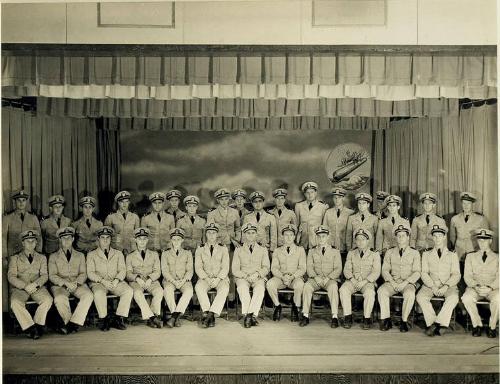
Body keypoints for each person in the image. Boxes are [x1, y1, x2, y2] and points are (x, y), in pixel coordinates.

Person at [416, 224, 460, 337]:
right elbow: (424, 273)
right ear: (432, 238)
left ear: (444, 237)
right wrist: (432, 286)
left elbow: (456, 274)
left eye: (440, 236)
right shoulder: (426, 254)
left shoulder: (452, 254)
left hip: (448, 285)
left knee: (453, 298)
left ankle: (436, 323)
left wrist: (446, 286)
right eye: (435, 236)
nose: (437, 239)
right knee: (420, 297)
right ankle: (435, 323)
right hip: (431, 285)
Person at [86, 226, 133, 331]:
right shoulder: (91, 254)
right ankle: (103, 319)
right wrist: (103, 281)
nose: (105, 240)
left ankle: (118, 318)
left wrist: (116, 280)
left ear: (111, 239)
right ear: (98, 239)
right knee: (99, 293)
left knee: (128, 291)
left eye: (107, 237)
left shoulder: (118, 253)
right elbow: (90, 273)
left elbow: (122, 270)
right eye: (102, 237)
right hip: (99, 282)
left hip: (115, 282)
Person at [8, 230, 53, 339]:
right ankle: (30, 327)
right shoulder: (15, 258)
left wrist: (36, 285)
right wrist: (24, 286)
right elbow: (11, 276)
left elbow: (44, 275)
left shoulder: (42, 257)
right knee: (15, 302)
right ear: (23, 243)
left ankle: (37, 324)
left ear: (36, 243)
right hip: (21, 288)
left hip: (37, 287)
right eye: (28, 241)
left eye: (33, 241)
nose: (31, 243)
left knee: (48, 300)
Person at [49, 227, 93, 334]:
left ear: (73, 239)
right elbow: (52, 276)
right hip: (61, 285)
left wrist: (76, 283)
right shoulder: (53, 256)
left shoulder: (80, 255)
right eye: (64, 238)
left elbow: (83, 273)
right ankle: (68, 322)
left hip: (76, 284)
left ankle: (73, 323)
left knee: (88, 295)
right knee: (59, 298)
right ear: (60, 240)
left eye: (69, 238)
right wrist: (65, 283)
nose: (66, 240)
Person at [3, 189, 42, 310]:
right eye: (18, 201)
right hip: (13, 255)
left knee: (33, 282)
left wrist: (38, 253)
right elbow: (3, 237)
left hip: (30, 255)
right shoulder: (7, 218)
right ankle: (12, 312)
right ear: (14, 202)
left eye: (23, 200)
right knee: (14, 285)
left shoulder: (33, 218)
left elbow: (39, 237)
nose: (21, 203)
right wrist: (4, 256)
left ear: (27, 202)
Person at [377, 224, 421, 332]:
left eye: (403, 236)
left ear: (408, 237)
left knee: (410, 294)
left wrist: (405, 283)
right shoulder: (390, 252)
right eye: (398, 236)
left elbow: (417, 272)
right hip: (393, 281)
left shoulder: (415, 253)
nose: (401, 238)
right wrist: (392, 282)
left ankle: (404, 320)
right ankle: (386, 319)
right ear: (395, 237)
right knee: (381, 291)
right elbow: (385, 270)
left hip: (408, 283)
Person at [299, 225, 342, 328]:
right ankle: (305, 315)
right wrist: (315, 277)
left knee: (333, 287)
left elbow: (338, 268)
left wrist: (328, 277)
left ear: (328, 237)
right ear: (316, 238)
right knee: (307, 287)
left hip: (330, 279)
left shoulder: (335, 251)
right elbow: (309, 267)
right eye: (319, 237)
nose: (321, 239)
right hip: (316, 279)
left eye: (323, 236)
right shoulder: (312, 251)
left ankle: (334, 316)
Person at [340, 229, 381, 330]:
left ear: (368, 241)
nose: (360, 242)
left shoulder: (374, 253)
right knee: (343, 289)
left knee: (370, 293)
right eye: (358, 239)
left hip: (367, 282)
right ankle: (348, 316)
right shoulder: (351, 253)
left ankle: (366, 318)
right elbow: (347, 270)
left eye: (363, 239)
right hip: (352, 281)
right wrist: (353, 280)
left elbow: (376, 271)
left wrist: (365, 281)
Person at [461, 229, 498, 338]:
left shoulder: (497, 257)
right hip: (475, 288)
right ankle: (477, 325)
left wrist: (490, 288)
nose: (482, 242)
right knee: (466, 298)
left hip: (492, 289)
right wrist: (476, 287)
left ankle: (492, 327)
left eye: (485, 240)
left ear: (490, 241)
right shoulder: (470, 256)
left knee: (498, 299)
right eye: (480, 240)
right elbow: (467, 276)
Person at [232, 222, 270, 328]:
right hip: (243, 277)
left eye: (253, 233)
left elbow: (266, 267)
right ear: (244, 235)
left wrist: (257, 274)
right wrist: (245, 276)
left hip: (258, 277)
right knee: (242, 288)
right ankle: (251, 316)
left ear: (256, 234)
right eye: (248, 233)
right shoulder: (238, 250)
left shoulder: (262, 250)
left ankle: (248, 315)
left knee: (259, 289)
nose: (250, 235)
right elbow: (235, 269)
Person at [266, 224, 306, 322]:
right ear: (282, 236)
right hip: (281, 278)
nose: (288, 237)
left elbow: (302, 268)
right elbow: (274, 268)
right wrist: (283, 276)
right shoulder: (277, 250)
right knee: (270, 284)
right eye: (286, 235)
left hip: (294, 278)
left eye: (291, 235)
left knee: (300, 285)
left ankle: (295, 307)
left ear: (294, 236)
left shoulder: (300, 250)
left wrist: (292, 276)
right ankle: (277, 306)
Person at [126, 227, 163, 329]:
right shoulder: (130, 256)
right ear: (135, 240)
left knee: (159, 291)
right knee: (137, 293)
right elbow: (128, 273)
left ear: (147, 240)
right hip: (136, 282)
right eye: (139, 239)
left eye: (144, 239)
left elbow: (157, 271)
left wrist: (150, 279)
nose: (142, 241)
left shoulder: (154, 254)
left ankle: (152, 316)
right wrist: (137, 279)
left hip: (151, 281)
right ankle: (152, 318)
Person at [195, 223, 230, 328]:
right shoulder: (200, 249)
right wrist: (206, 278)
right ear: (206, 234)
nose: (211, 235)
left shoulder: (223, 248)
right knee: (198, 287)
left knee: (224, 289)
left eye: (214, 233)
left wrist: (218, 279)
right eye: (209, 233)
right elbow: (198, 267)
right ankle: (208, 313)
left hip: (220, 278)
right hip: (205, 278)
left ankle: (209, 315)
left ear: (217, 234)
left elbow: (225, 267)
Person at [161, 228, 193, 328]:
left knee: (189, 291)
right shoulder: (165, 253)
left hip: (184, 280)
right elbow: (165, 271)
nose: (176, 242)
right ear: (171, 240)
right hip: (170, 280)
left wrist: (183, 280)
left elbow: (190, 270)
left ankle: (174, 317)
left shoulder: (187, 253)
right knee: (167, 291)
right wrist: (174, 281)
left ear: (182, 240)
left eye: (178, 239)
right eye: (174, 239)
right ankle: (176, 316)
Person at [449, 192, 489, 262]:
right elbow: (452, 236)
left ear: (473, 204)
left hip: (474, 251)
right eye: (464, 203)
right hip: (459, 253)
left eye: (468, 203)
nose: (466, 206)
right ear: (461, 204)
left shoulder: (481, 219)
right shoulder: (454, 219)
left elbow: (486, 238)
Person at [104, 190, 140, 256]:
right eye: (122, 202)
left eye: (126, 201)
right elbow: (106, 236)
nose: (124, 204)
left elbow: (137, 236)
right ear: (118, 202)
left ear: (129, 202)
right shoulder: (111, 217)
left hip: (131, 249)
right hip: (116, 249)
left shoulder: (135, 217)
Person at [295, 181, 328, 250]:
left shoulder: (323, 207)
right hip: (302, 241)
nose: (310, 195)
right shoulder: (299, 206)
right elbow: (296, 224)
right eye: (307, 193)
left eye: (312, 192)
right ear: (304, 194)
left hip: (317, 242)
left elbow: (325, 225)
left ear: (316, 193)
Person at [322, 188, 353, 255]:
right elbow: (324, 229)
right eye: (335, 198)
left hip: (344, 247)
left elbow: (351, 231)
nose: (337, 200)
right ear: (333, 199)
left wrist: (349, 246)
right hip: (331, 246)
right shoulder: (328, 212)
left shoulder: (350, 213)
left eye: (339, 197)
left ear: (343, 198)